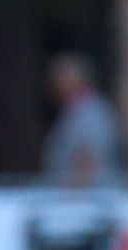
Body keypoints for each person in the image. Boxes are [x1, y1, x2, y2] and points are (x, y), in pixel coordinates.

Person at [43, 54, 122, 189]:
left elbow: (90, 156)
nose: (54, 87)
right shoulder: (74, 109)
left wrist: (75, 195)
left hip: (88, 199)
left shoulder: (90, 110)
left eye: (58, 81)